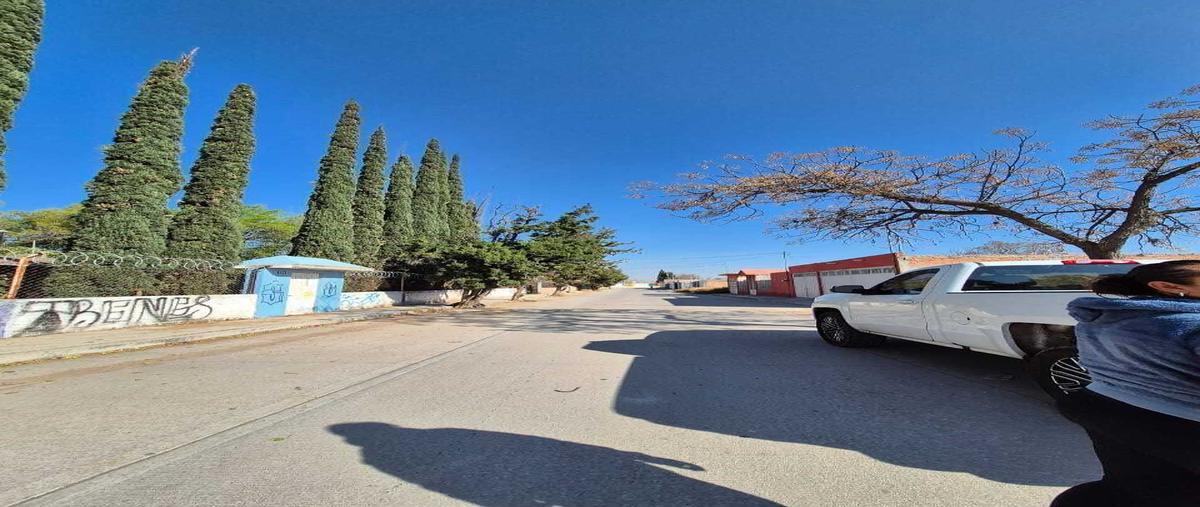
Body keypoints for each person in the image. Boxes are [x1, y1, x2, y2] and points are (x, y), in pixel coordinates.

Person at [1052, 260, 1200, 506]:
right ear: (1168, 286)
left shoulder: (1102, 319)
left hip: (1105, 411)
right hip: (1182, 427)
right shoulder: (1191, 323)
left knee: (1142, 486)